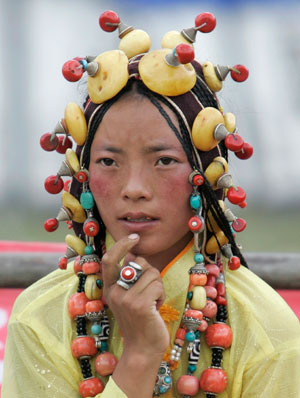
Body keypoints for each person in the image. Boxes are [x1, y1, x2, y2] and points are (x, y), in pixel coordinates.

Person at [2, 9, 300, 398]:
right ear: (84, 175)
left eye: (164, 161)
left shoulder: (266, 330)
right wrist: (141, 355)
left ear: (206, 174)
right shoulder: (40, 318)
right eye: (109, 162)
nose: (135, 188)